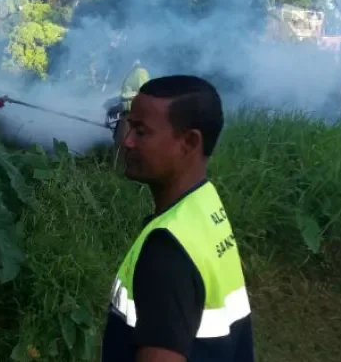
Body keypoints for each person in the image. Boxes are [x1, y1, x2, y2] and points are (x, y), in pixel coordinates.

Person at [102, 75, 254, 362]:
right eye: (128, 126)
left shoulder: (166, 250)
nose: (127, 141)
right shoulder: (205, 202)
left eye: (141, 131)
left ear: (189, 142)